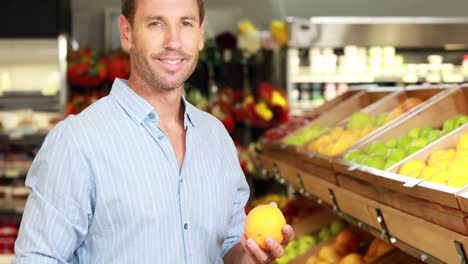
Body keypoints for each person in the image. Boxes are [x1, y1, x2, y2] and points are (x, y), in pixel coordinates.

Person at [13, 0, 294, 263]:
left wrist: (253, 255)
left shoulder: (216, 137)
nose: (173, 42)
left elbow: (228, 244)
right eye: (156, 23)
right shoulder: (76, 141)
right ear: (127, 33)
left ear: (200, 34)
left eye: (185, 23)